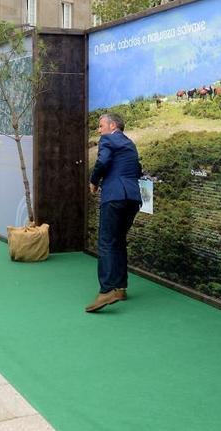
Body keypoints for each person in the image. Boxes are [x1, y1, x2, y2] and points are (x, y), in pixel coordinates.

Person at [86, 113, 142, 313]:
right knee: (118, 241)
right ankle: (120, 288)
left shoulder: (108, 139)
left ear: (112, 125)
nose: (99, 130)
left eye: (101, 126)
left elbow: (102, 162)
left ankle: (107, 290)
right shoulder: (130, 144)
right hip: (133, 199)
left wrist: (93, 181)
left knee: (107, 242)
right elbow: (138, 170)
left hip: (114, 198)